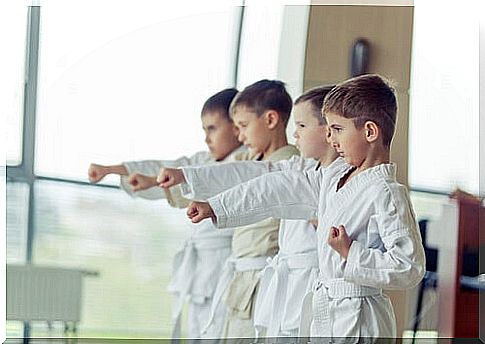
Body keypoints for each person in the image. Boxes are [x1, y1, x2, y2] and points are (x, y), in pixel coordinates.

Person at [177, 74, 426, 340]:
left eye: (338, 129)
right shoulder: (332, 177)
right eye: (328, 129)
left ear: (369, 132)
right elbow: (275, 187)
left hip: (361, 317)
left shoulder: (386, 192)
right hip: (326, 311)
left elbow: (409, 265)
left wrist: (351, 252)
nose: (331, 139)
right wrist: (217, 206)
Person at [157, 85, 340, 338]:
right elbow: (255, 178)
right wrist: (195, 184)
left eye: (302, 126)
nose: (295, 135)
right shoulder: (299, 167)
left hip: (307, 289)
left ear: (330, 130)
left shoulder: (339, 181)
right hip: (272, 285)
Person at [87, 88, 245, 339]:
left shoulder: (244, 164)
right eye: (204, 130)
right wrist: (112, 169)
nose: (207, 138)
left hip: (226, 261)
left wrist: (152, 180)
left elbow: (199, 182)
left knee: (217, 330)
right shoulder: (204, 159)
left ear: (237, 127)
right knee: (197, 330)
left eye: (212, 129)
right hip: (201, 267)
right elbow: (166, 168)